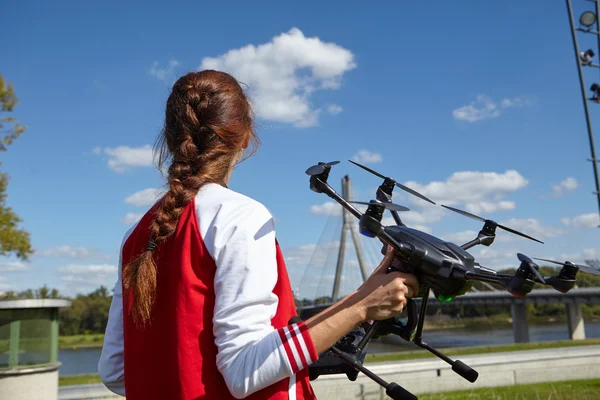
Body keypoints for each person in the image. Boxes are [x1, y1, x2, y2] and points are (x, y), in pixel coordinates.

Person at [97, 70, 419, 400]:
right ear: (246, 137)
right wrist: (361, 306)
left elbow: (115, 371)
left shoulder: (137, 236)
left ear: (169, 137)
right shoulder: (237, 216)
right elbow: (243, 371)